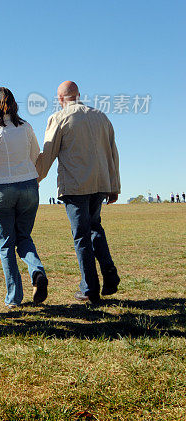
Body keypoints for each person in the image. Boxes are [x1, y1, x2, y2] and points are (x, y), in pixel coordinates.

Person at [36, 80, 120, 304]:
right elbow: (113, 153)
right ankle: (109, 273)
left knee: (81, 236)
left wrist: (34, 178)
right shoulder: (102, 117)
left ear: (60, 99)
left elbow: (48, 153)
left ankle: (90, 288)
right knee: (95, 228)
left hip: (75, 185)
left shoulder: (59, 118)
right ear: (79, 95)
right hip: (100, 183)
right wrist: (114, 186)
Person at [0, 88, 48, 308]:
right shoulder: (26, 127)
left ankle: (14, 297)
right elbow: (35, 155)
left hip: (1, 188)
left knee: (6, 244)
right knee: (24, 237)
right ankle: (37, 272)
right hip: (28, 185)